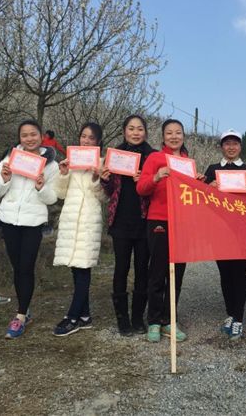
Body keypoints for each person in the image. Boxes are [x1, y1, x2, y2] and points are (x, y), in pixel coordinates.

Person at [0, 120, 59, 339]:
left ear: (41, 136)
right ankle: (25, 309)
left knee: (26, 267)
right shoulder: (9, 159)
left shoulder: (51, 166)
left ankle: (19, 316)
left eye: (33, 134)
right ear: (19, 138)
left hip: (33, 222)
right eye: (25, 135)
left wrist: (41, 187)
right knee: (17, 267)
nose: (29, 139)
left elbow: (52, 198)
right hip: (9, 220)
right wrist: (4, 179)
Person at [137, 119, 203, 342]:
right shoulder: (155, 158)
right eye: (169, 133)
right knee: (157, 272)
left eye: (178, 133)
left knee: (177, 274)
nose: (174, 137)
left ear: (183, 136)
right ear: (163, 137)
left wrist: (199, 183)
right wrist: (157, 176)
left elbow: (191, 196)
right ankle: (154, 321)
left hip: (182, 222)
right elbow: (141, 188)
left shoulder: (188, 162)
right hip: (159, 220)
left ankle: (169, 320)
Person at [101, 115, 155, 336]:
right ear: (124, 131)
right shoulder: (115, 155)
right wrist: (105, 179)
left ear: (145, 132)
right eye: (131, 128)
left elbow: (158, 191)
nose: (135, 133)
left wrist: (145, 182)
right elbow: (110, 191)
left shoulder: (153, 157)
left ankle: (138, 318)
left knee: (143, 270)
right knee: (121, 268)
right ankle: (122, 318)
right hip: (121, 220)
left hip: (144, 221)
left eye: (140, 129)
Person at [52, 122, 107, 337]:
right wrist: (64, 174)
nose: (86, 141)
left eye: (91, 138)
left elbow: (104, 197)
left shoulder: (102, 163)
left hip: (89, 220)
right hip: (70, 218)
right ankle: (85, 316)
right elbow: (60, 194)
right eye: (83, 136)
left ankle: (72, 317)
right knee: (75, 268)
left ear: (98, 142)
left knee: (84, 268)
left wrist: (96, 178)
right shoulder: (71, 161)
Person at [204, 129, 246, 340]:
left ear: (240, 147)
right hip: (218, 229)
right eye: (227, 143)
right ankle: (230, 313)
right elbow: (202, 198)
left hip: (241, 230)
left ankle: (239, 318)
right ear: (222, 147)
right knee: (225, 273)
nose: (231, 147)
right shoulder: (212, 169)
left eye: (235, 143)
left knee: (239, 273)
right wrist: (208, 187)